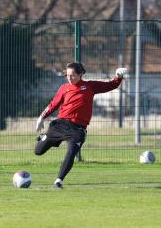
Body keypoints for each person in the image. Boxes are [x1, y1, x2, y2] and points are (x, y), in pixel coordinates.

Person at [34, 61, 127, 189]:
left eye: (72, 75)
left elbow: (111, 85)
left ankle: (58, 180)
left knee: (72, 151)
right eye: (68, 75)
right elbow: (53, 104)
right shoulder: (64, 88)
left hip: (77, 129)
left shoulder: (90, 86)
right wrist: (42, 117)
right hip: (59, 125)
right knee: (38, 151)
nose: (70, 78)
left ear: (81, 74)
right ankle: (44, 137)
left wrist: (118, 76)